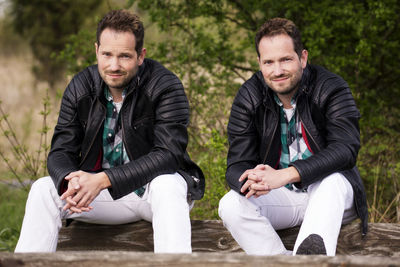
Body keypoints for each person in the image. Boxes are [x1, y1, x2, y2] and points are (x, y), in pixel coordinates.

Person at [15, 9, 204, 253]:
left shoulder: (165, 86)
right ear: (96, 51)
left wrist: (103, 180)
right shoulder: (81, 86)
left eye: (124, 56)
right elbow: (61, 150)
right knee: (43, 189)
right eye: (106, 54)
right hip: (101, 196)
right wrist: (70, 181)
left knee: (167, 184)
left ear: (140, 56)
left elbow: (168, 156)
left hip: (151, 195)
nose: (114, 65)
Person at [218, 18, 367, 256]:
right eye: (269, 62)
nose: (277, 71)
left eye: (285, 59)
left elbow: (346, 150)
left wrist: (286, 175)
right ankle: (286, 262)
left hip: (333, 197)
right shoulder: (249, 96)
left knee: (331, 183)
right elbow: (236, 164)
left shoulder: (331, 87)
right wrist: (253, 179)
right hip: (283, 198)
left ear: (303, 58)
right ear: (259, 63)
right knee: (231, 205)